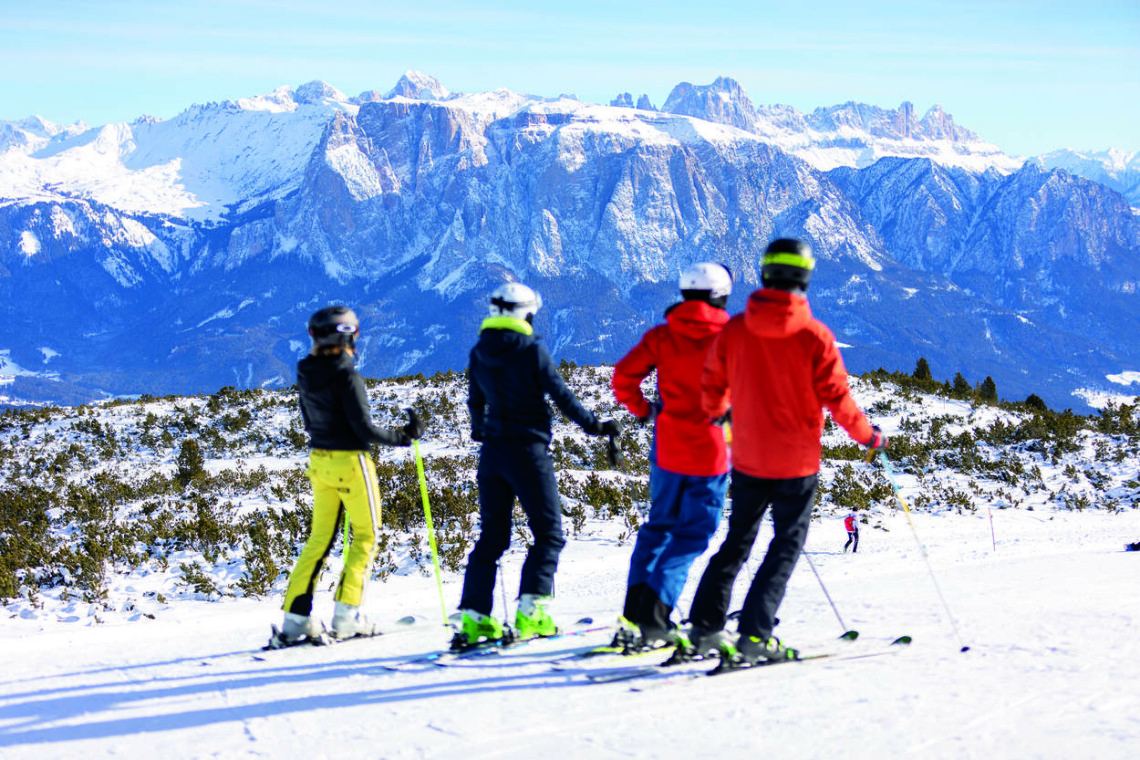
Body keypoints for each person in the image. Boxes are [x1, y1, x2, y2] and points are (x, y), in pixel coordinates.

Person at [680, 238, 887, 668]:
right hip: (796, 464)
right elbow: (840, 402)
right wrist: (870, 438)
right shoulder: (815, 337)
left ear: (765, 274)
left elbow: (711, 388)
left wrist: (722, 420)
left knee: (737, 542)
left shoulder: (735, 329)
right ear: (805, 278)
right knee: (785, 546)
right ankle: (755, 634)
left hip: (750, 460)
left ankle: (703, 628)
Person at [457, 282, 620, 646]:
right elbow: (562, 396)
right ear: (524, 313)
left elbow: (474, 401)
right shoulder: (531, 351)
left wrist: (481, 431)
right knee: (548, 533)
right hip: (528, 451)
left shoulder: (479, 351)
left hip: (493, 454)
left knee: (492, 537)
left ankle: (473, 619)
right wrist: (597, 426)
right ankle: (532, 615)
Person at [269, 305, 424, 648]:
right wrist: (405, 436)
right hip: (352, 463)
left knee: (318, 541)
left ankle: (295, 620)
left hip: (319, 461)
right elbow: (364, 428)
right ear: (349, 335)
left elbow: (310, 422)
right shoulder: (348, 375)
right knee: (366, 536)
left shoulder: (305, 371)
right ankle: (347, 615)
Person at [609, 263, 733, 651]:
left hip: (667, 448)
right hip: (711, 452)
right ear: (721, 296)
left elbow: (623, 379)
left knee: (657, 528)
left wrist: (644, 410)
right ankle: (656, 618)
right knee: (692, 534)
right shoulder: (732, 339)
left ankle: (632, 617)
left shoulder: (662, 336)